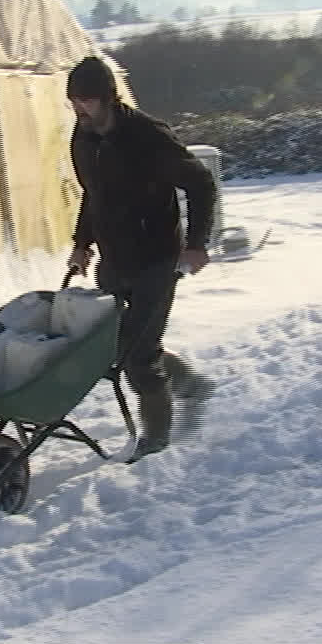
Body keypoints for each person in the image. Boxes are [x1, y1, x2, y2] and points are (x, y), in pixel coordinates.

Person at [63, 54, 218, 462]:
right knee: (114, 344)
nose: (80, 109)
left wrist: (198, 242)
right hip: (114, 259)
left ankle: (156, 438)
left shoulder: (147, 137)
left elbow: (201, 183)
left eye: (88, 101)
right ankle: (189, 384)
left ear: (109, 98)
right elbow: (92, 195)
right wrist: (82, 244)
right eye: (74, 101)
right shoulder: (83, 138)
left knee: (139, 355)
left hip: (155, 259)